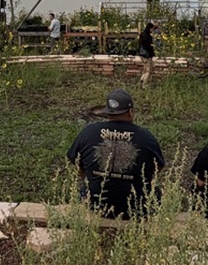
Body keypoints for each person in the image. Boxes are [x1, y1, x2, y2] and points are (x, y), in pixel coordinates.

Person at [67, 88, 165, 219]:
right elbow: (158, 167)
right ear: (130, 112)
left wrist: (89, 178)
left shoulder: (88, 132)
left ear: (107, 112)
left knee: (85, 189)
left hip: (96, 203)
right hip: (134, 206)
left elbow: (74, 160)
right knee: (156, 192)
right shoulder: (146, 137)